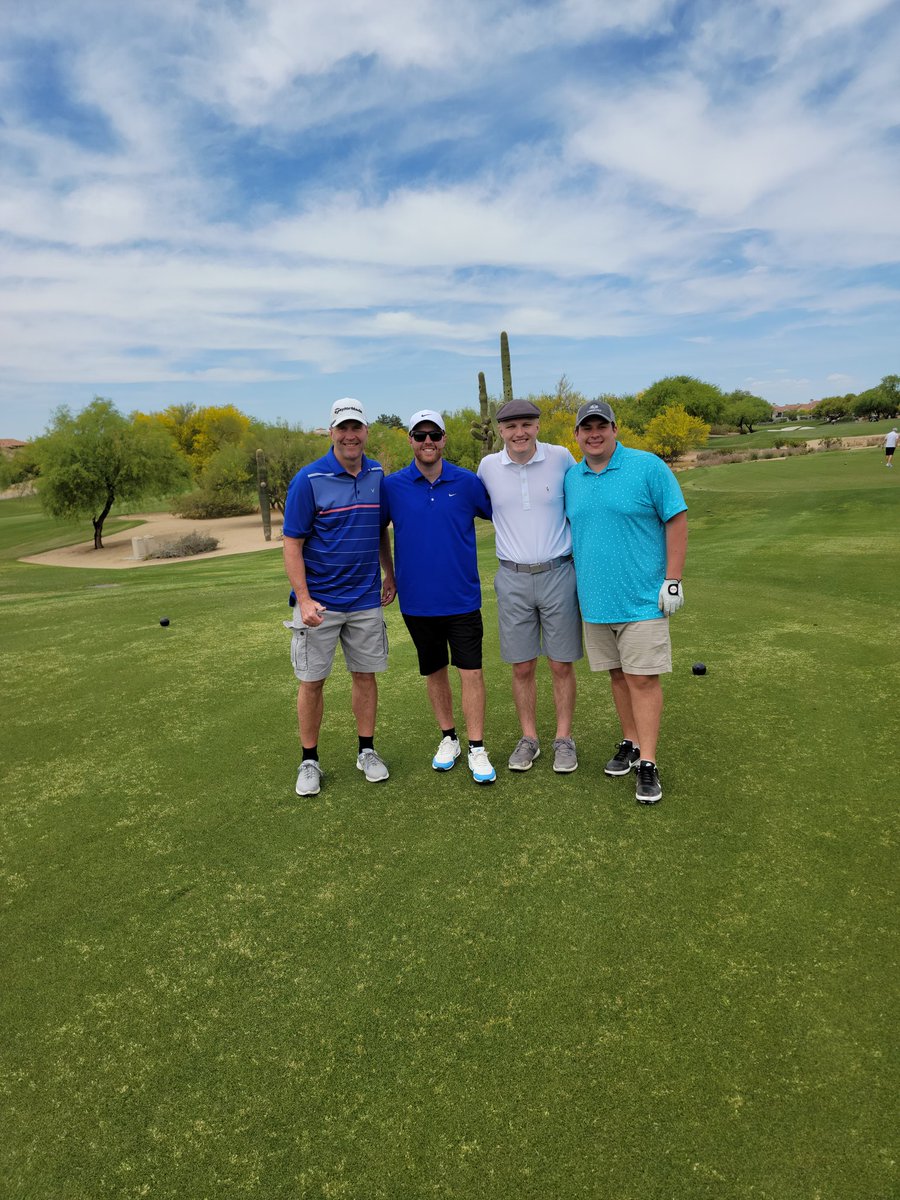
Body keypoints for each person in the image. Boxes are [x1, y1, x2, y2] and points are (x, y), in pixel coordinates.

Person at [564, 400, 688, 805]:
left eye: (602, 426)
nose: (594, 433)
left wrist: (672, 579)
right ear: (577, 434)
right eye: (587, 428)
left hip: (642, 600)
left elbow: (676, 519)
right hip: (596, 603)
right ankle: (631, 742)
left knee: (643, 679)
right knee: (619, 676)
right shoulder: (572, 477)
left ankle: (648, 762)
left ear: (615, 429)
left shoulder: (647, 466)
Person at [282, 398, 396, 797]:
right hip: (320, 603)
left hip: (364, 598)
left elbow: (379, 528)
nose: (350, 435)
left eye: (357, 427)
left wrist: (389, 572)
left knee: (365, 677)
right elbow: (292, 543)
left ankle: (366, 751)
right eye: (342, 428)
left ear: (365, 432)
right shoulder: (309, 479)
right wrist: (304, 598)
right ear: (332, 432)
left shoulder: (377, 474)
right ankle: (309, 760)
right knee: (312, 682)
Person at [383, 410, 497, 784]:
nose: (427, 442)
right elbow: (379, 530)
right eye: (420, 435)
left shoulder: (467, 482)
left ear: (444, 439)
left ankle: (477, 746)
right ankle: (449, 738)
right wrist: (389, 573)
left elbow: (500, 514)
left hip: (462, 597)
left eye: (434, 435)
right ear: (411, 441)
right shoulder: (393, 486)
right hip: (417, 601)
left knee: (472, 672)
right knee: (434, 672)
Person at [477, 398, 582, 774]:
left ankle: (564, 740)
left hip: (558, 572)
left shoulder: (561, 457)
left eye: (526, 424)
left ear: (538, 426)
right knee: (521, 666)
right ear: (501, 430)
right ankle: (530, 739)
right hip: (512, 577)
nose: (519, 433)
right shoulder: (488, 467)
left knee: (561, 664)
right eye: (511, 426)